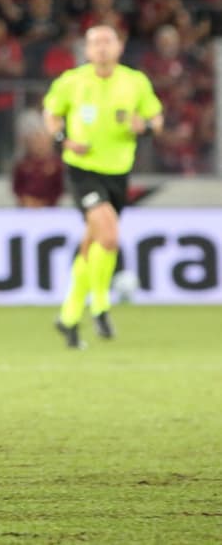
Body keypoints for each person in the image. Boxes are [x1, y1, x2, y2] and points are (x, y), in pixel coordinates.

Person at [44, 25, 163, 349]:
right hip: (82, 170)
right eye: (95, 42)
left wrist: (147, 126)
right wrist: (62, 139)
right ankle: (100, 306)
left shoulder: (135, 82)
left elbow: (157, 118)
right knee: (109, 236)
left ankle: (68, 317)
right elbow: (51, 113)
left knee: (93, 241)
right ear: (86, 48)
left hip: (118, 172)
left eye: (107, 41)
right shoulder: (72, 81)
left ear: (119, 47)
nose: (101, 48)